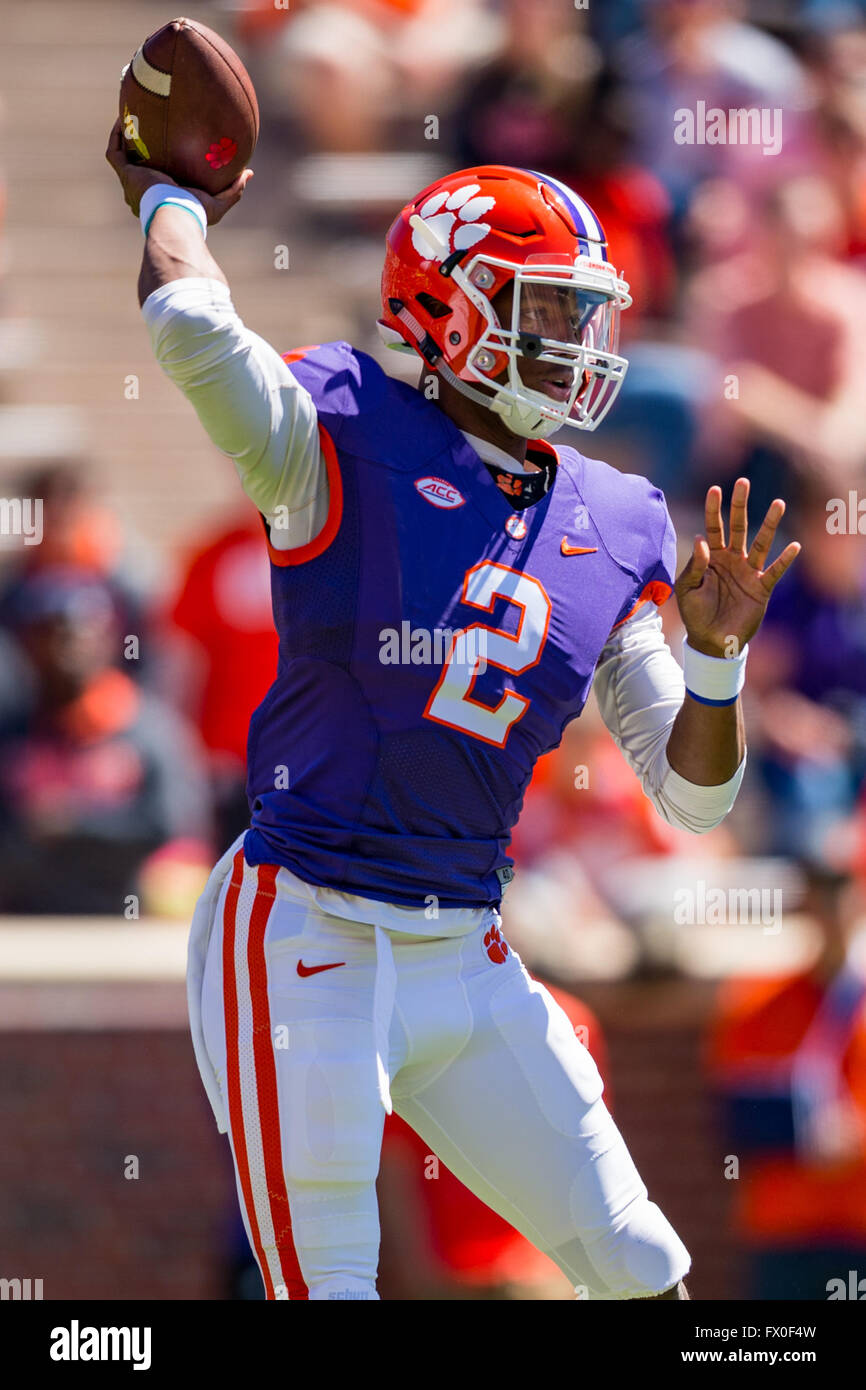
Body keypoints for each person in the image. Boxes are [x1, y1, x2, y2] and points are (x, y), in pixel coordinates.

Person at [106, 123, 800, 1301]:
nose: (581, 346)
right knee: (324, 1286)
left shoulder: (613, 516)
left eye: (589, 315)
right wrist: (166, 198)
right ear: (451, 308)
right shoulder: (344, 430)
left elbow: (694, 797)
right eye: (549, 312)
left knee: (638, 1269)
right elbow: (194, 331)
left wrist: (719, 657)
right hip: (300, 929)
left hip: (465, 944)